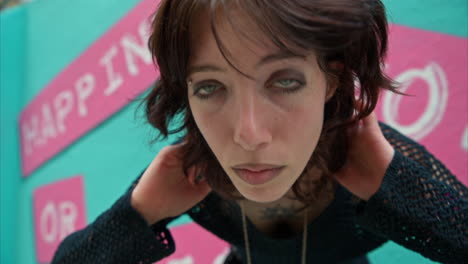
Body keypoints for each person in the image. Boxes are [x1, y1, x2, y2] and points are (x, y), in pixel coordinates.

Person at [51, 0, 467, 263]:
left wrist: (396, 185)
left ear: (332, 81)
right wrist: (137, 214)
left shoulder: (376, 161)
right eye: (210, 87)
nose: (248, 136)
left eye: (285, 81)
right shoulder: (191, 170)